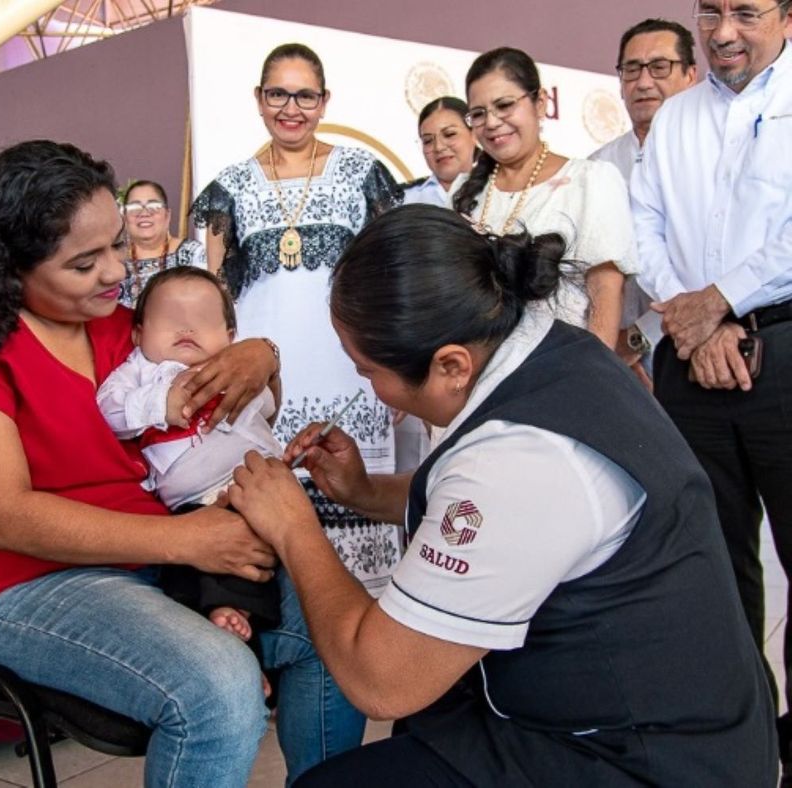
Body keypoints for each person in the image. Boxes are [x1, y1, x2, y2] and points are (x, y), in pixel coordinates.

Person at [226, 204, 776, 786]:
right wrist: (365, 493)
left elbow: (379, 680)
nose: (369, 388)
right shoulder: (549, 349)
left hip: (643, 761)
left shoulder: (522, 456)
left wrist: (294, 528)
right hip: (668, 719)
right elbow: (504, 522)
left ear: (451, 366)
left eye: (367, 372)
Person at [0, 140, 348, 787]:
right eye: (84, 262)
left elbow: (234, 403)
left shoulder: (126, 326)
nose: (115, 272)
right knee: (218, 686)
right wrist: (186, 540)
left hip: (158, 562)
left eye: (119, 245)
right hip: (21, 587)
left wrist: (262, 357)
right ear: (9, 268)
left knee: (338, 630)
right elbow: (3, 517)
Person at [629, 0, 792, 774]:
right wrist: (697, 323)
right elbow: (644, 229)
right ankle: (746, 745)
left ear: (787, 17)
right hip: (688, 360)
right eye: (712, 11)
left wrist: (719, 300)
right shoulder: (678, 117)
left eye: (747, 12)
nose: (724, 31)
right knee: (713, 569)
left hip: (786, 348)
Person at [191, 43, 403, 601]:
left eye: (305, 94)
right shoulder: (228, 187)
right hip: (264, 392)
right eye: (278, 93)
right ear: (259, 100)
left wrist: (399, 365)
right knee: (277, 548)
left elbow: (394, 273)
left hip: (353, 380)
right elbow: (211, 295)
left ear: (324, 100)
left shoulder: (364, 174)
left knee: (361, 548)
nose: (292, 107)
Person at [97, 266, 282, 641]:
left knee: (272, 557)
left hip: (265, 483)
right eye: (170, 321)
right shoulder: (141, 371)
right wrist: (158, 403)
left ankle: (238, 625)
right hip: (193, 502)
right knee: (191, 575)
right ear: (138, 334)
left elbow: (266, 408)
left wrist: (261, 367)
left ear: (230, 336)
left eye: (201, 321)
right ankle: (230, 625)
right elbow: (109, 410)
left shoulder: (232, 368)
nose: (186, 331)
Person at [451, 47, 637, 349]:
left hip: (561, 368)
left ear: (540, 103)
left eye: (505, 105)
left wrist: (595, 377)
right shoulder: (463, 190)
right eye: (479, 114)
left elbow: (606, 290)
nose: (493, 122)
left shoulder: (590, 181)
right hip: (478, 376)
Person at [591, 19, 697, 383]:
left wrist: (640, 336)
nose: (644, 82)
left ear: (691, 75)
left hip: (698, 341)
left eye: (660, 67)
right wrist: (618, 349)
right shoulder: (596, 167)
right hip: (614, 359)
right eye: (631, 69)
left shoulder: (716, 160)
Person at [118, 180, 206, 308]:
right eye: (134, 208)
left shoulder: (192, 253)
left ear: (167, 215)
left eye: (153, 206)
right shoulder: (116, 260)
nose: (144, 213)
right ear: (125, 218)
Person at [402, 96, 476, 208]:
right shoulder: (404, 199)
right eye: (428, 141)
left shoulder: (500, 191)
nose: (438, 147)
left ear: (474, 135)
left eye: (449, 134)